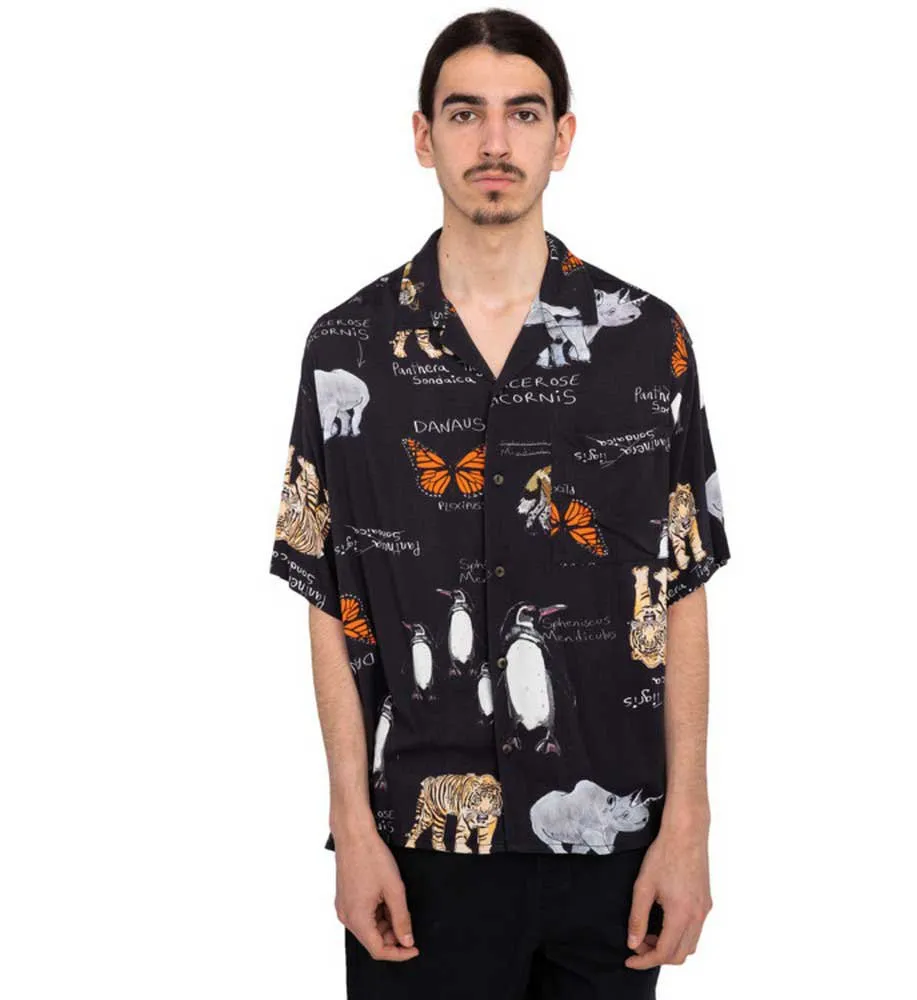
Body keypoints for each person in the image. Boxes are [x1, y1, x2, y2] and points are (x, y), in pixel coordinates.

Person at [268, 8, 731, 998]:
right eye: (464, 112)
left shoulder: (648, 341)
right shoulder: (347, 347)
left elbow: (683, 585)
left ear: (562, 137)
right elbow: (326, 593)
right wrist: (350, 825)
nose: (493, 141)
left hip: (610, 840)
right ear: (422, 135)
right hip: (420, 845)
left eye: (522, 114)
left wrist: (689, 824)